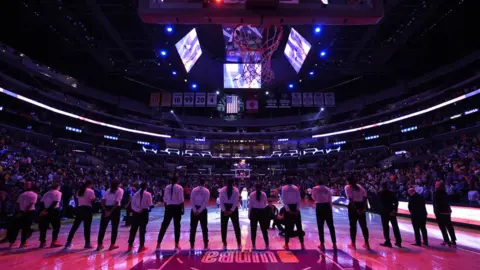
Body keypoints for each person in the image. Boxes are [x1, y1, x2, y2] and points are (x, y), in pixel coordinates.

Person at [156, 176, 184, 252]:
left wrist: (166, 208)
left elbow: (164, 200)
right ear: (177, 180)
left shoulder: (167, 187)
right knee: (177, 226)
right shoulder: (179, 187)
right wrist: (182, 209)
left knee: (164, 225)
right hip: (177, 207)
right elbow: (181, 200)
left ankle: (158, 244)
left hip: (169, 207)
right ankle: (176, 244)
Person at [65, 180, 96, 249]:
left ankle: (68, 242)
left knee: (75, 226)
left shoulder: (80, 190)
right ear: (90, 184)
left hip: (80, 208)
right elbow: (93, 201)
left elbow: (77, 198)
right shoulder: (90, 191)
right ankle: (87, 243)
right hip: (87, 209)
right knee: (87, 227)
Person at [345, 175, 370, 250]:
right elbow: (365, 197)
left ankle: (353, 244)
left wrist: (356, 209)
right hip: (361, 205)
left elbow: (351, 199)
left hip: (353, 207)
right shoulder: (360, 186)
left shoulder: (348, 187)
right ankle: (366, 243)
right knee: (364, 226)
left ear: (348, 181)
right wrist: (364, 208)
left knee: (353, 226)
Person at [97, 181, 124, 251]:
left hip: (106, 208)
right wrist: (110, 211)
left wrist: (105, 210)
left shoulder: (108, 190)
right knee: (114, 227)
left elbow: (102, 201)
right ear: (118, 185)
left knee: (102, 227)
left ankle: (99, 245)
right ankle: (112, 245)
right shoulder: (120, 190)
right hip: (115, 209)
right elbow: (117, 202)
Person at [312, 177, 337, 250]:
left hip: (320, 206)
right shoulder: (327, 189)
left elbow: (313, 197)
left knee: (320, 226)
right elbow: (330, 199)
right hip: (327, 206)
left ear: (317, 183)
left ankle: (322, 244)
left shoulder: (315, 188)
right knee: (331, 226)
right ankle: (334, 243)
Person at [128, 182, 153, 253]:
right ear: (146, 187)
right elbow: (149, 204)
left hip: (136, 213)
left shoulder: (135, 194)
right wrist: (149, 206)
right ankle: (141, 246)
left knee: (133, 229)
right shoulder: (148, 194)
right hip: (144, 213)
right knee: (142, 230)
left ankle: (130, 246)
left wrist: (137, 210)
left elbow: (132, 205)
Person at [281, 177, 305, 250]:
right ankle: (302, 244)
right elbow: (299, 199)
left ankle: (286, 244)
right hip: (295, 207)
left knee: (287, 227)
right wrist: (297, 209)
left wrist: (288, 210)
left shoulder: (284, 188)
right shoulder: (296, 188)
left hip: (288, 208)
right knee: (299, 226)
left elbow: (284, 199)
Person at [433, 180, 457, 247]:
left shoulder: (436, 193)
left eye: (437, 185)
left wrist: (437, 212)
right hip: (446, 211)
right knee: (449, 226)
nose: (435, 185)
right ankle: (452, 240)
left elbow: (436, 204)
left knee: (443, 227)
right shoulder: (444, 193)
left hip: (440, 212)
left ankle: (447, 240)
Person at [219, 179, 241, 250]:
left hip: (227, 208)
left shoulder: (223, 190)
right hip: (231, 209)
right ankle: (238, 241)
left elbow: (221, 201)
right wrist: (230, 210)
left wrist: (224, 210)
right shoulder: (236, 190)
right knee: (235, 226)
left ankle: (225, 241)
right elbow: (235, 201)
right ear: (233, 183)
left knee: (225, 226)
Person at [39, 183, 63, 248]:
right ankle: (54, 242)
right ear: (58, 187)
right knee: (56, 227)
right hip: (53, 211)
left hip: (45, 210)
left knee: (43, 227)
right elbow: (55, 202)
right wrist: (48, 210)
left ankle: (42, 242)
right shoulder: (58, 193)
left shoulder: (46, 193)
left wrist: (43, 210)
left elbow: (41, 202)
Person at [379, 182, 402, 248]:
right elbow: (396, 202)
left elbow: (379, 204)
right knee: (395, 227)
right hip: (392, 212)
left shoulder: (380, 194)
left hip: (384, 213)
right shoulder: (392, 193)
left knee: (386, 227)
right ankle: (398, 242)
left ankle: (388, 241)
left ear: (382, 187)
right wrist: (394, 210)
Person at [189, 178, 210, 251]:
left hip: (194, 210)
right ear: (204, 183)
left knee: (193, 228)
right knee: (204, 228)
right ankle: (206, 244)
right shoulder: (206, 191)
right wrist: (200, 210)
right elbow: (205, 202)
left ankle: (192, 244)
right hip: (202, 210)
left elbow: (191, 200)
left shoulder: (194, 190)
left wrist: (195, 210)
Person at [248, 183, 269, 250]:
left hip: (254, 212)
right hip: (262, 211)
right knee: (264, 229)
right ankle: (267, 243)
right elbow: (265, 203)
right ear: (261, 187)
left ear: (255, 187)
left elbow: (250, 205)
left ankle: (253, 244)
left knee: (253, 229)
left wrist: (249, 214)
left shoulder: (251, 194)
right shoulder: (264, 194)